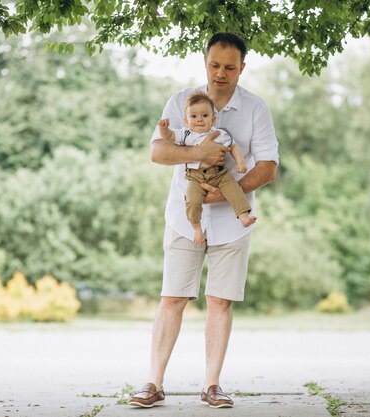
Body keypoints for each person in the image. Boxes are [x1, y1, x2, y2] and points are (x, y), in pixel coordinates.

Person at [128, 33, 279, 409]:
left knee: (220, 301)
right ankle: (153, 383)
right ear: (205, 62)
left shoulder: (256, 109)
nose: (221, 73)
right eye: (215, 65)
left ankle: (212, 385)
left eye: (230, 67)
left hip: (232, 221)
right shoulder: (181, 101)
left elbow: (269, 165)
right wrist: (197, 152)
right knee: (172, 298)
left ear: (242, 67)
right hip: (184, 218)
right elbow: (158, 152)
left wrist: (231, 192)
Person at [158, 91, 257, 245]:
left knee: (234, 188)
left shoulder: (220, 133)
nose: (199, 120)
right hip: (196, 178)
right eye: (194, 116)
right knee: (192, 200)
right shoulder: (185, 134)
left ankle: (243, 215)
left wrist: (240, 162)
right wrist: (164, 129)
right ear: (185, 120)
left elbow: (234, 146)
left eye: (204, 116)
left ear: (213, 119)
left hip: (219, 174)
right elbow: (169, 137)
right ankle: (196, 227)